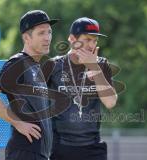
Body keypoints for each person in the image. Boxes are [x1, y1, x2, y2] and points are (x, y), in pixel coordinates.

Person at [0, 10, 58, 160]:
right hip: (25, 152)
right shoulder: (18, 63)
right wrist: (18, 123)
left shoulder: (35, 67)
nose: (47, 38)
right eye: (41, 33)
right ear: (27, 38)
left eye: (49, 32)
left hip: (38, 154)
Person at [44, 17, 118, 160]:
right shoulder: (54, 65)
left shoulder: (101, 64)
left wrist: (94, 68)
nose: (92, 44)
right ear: (72, 39)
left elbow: (110, 102)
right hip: (60, 147)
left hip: (93, 148)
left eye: (95, 40)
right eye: (88, 39)